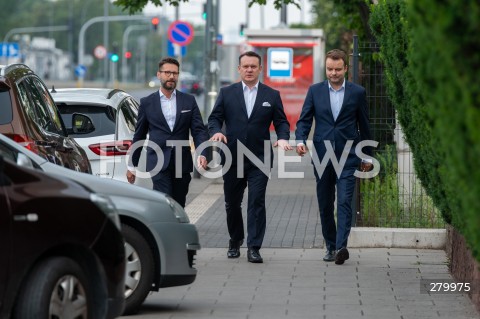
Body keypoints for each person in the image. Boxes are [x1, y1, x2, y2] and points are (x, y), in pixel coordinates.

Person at [208, 51, 292, 263]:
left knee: (256, 201)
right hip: (232, 156)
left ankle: (254, 247)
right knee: (232, 203)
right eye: (245, 66)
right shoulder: (227, 93)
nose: (249, 70)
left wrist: (283, 138)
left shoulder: (271, 95)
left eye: (253, 66)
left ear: (260, 69)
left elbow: (282, 122)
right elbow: (214, 118)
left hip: (260, 157)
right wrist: (216, 131)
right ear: (239, 69)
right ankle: (235, 240)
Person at [295, 49, 373, 265]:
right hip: (322, 156)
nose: (333, 73)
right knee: (325, 203)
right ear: (326, 68)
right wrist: (300, 141)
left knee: (345, 201)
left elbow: (364, 126)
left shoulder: (357, 93)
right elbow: (304, 121)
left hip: (349, 156)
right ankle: (330, 245)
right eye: (330, 69)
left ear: (345, 68)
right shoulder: (315, 91)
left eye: (338, 69)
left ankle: (341, 246)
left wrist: (367, 156)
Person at [126, 57, 208, 208]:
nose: (171, 76)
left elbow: (198, 130)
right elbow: (139, 135)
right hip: (157, 161)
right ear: (159, 75)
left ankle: (176, 228)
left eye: (175, 73)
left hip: (181, 162)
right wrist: (132, 165)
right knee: (164, 199)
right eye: (167, 73)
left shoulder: (189, 101)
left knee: (179, 201)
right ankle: (165, 229)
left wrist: (203, 152)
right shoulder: (147, 103)